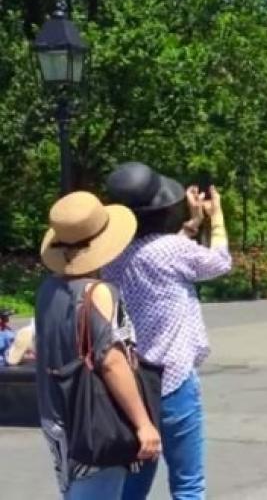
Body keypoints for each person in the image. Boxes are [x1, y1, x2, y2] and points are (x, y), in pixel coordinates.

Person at [103, 162, 232, 500]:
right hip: (173, 378)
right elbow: (219, 262)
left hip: (130, 387)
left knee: (133, 483)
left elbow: (151, 256)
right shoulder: (171, 251)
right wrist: (215, 218)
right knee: (188, 483)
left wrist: (190, 227)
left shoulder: (111, 258)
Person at [34, 191, 161, 499]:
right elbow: (111, 361)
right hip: (96, 420)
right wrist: (144, 424)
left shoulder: (48, 289)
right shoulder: (98, 293)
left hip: (58, 416)